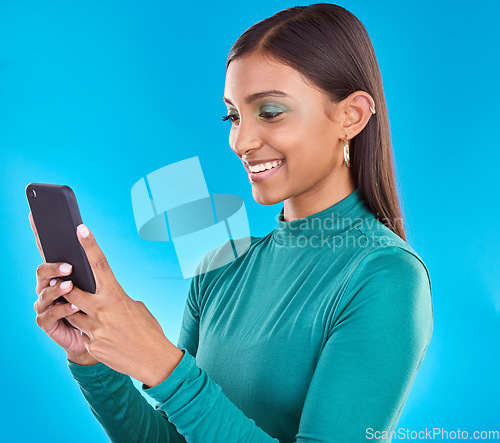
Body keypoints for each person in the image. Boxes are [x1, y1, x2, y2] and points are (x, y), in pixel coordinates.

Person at [31, 4, 433, 442]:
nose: (241, 141)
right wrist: (93, 361)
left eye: (271, 111)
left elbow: (178, 387)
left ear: (350, 116)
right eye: (233, 116)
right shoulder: (220, 268)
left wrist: (164, 367)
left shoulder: (386, 277)